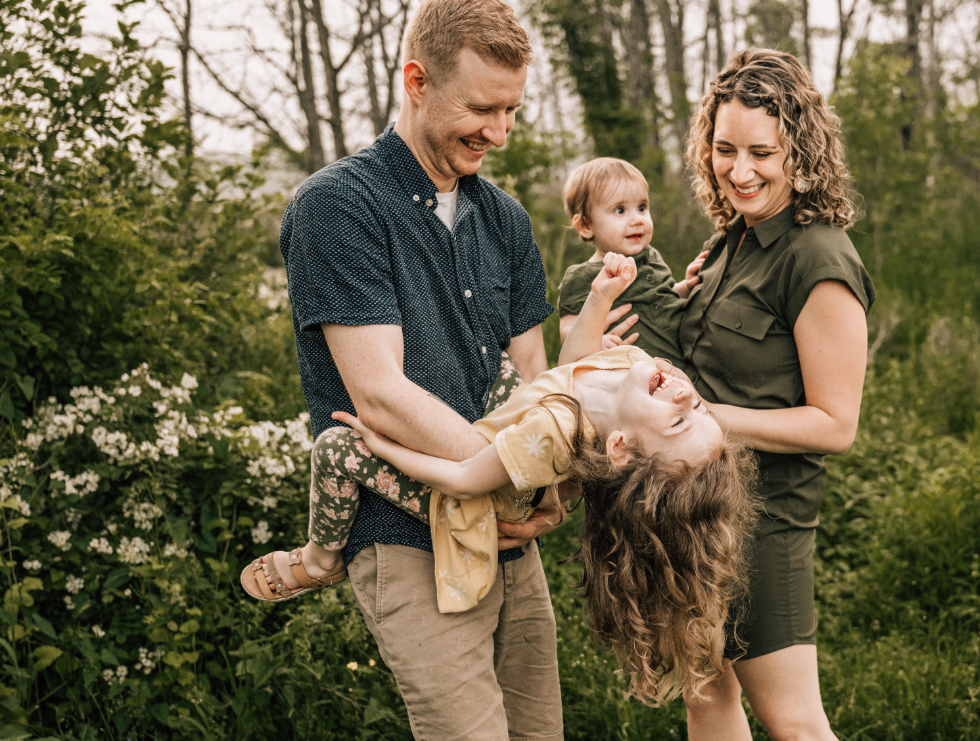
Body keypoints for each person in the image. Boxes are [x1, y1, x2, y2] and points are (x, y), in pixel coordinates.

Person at [243, 253, 758, 705]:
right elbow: (574, 365)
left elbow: (467, 479)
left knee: (335, 449)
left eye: (678, 421)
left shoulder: (555, 434)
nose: (687, 397)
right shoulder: (632, 362)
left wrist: (385, 449)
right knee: (506, 367)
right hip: (504, 444)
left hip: (482, 499)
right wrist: (599, 298)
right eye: (701, 410)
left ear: (619, 445)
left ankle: (319, 558)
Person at [266, 0, 566, 741]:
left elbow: (533, 376)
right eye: (480, 110)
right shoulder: (338, 208)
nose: (498, 131)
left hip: (512, 546)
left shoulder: (505, 219)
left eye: (512, 110)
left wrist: (547, 484)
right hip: (407, 542)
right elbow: (380, 396)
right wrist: (516, 477)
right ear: (416, 81)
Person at [678, 49, 876, 741]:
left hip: (765, 520)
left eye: (761, 152)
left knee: (792, 722)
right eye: (725, 149)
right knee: (706, 697)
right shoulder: (732, 241)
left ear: (801, 149)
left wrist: (707, 419)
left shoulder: (817, 256)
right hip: (700, 511)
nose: (740, 170)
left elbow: (835, 424)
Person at [555, 158, 706, 368]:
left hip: (680, 370)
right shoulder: (583, 276)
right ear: (586, 225)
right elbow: (568, 331)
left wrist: (685, 287)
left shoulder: (652, 257)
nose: (637, 219)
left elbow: (662, 300)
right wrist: (597, 342)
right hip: (628, 378)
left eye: (642, 207)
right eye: (620, 210)